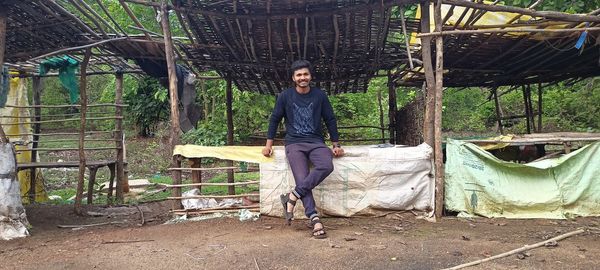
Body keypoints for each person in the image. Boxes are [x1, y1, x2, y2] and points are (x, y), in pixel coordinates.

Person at [262, 60, 344, 239]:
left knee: (326, 165)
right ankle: (314, 218)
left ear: (310, 76)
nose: (302, 78)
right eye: (299, 75)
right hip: (294, 144)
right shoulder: (285, 96)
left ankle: (292, 195)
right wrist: (268, 145)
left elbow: (330, 119)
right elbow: (274, 119)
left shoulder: (320, 95)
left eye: (305, 74)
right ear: (293, 78)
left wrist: (336, 144)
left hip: (316, 142)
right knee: (302, 178)